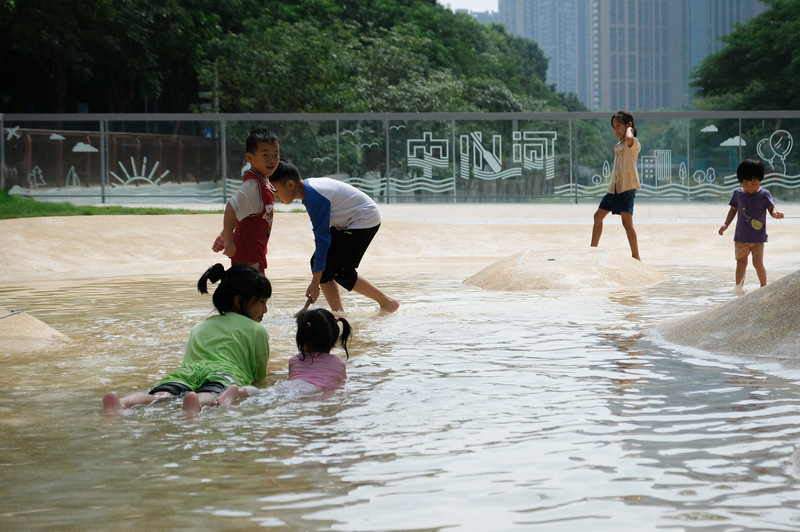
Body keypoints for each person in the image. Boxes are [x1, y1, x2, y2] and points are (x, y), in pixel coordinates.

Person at [102, 262, 272, 417]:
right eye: (262, 302)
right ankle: (194, 404)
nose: (265, 309)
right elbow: (258, 377)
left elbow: (191, 358)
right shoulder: (257, 330)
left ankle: (121, 403)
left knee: (158, 396)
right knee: (212, 395)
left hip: (188, 372)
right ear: (238, 300)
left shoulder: (201, 325)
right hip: (225, 374)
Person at [269, 161, 399, 313]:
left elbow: (322, 241)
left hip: (365, 218)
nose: (275, 196)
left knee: (340, 270)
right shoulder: (309, 192)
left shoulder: (314, 197)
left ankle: (387, 303)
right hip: (348, 221)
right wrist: (316, 280)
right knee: (319, 265)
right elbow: (323, 241)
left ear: (290, 185)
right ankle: (340, 314)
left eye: (276, 191)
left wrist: (314, 283)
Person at [225, 308, 351, 402]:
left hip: (289, 385)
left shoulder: (295, 360)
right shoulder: (339, 364)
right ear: (334, 339)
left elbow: (293, 379)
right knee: (283, 401)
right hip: (312, 390)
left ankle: (240, 392)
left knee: (264, 393)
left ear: (303, 337)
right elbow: (338, 386)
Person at [211, 129, 280, 273]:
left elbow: (243, 212)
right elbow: (232, 207)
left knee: (256, 292)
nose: (272, 160)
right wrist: (228, 239)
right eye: (265, 155)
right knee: (253, 293)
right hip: (247, 253)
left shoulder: (263, 181)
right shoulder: (253, 186)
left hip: (255, 251)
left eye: (276, 154)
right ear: (250, 158)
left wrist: (224, 234)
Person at [718, 158, 784, 292]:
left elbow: (771, 208)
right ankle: (739, 288)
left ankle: (764, 286)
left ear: (760, 179)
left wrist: (776, 214)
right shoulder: (738, 193)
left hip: (758, 238)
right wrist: (726, 224)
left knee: (757, 263)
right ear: (741, 182)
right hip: (741, 238)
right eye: (746, 184)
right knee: (741, 264)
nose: (750, 187)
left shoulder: (764, 194)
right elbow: (732, 210)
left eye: (753, 183)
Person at [591, 110, 642, 260]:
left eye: (618, 125)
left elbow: (629, 138)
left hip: (626, 189)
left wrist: (630, 130)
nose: (615, 130)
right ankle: (592, 250)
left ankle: (636, 255)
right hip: (614, 189)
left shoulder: (633, 143)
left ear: (628, 125)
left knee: (627, 223)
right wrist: (625, 128)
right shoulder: (618, 145)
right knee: (597, 216)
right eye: (613, 127)